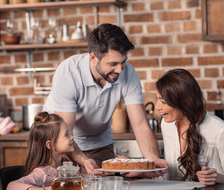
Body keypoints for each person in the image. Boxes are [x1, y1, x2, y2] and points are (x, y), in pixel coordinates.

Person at [43, 23, 167, 173]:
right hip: (61, 142)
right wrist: (84, 161)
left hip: (99, 142)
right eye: (113, 64)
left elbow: (140, 125)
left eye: (123, 62)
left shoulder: (129, 73)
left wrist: (152, 161)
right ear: (93, 57)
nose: (120, 70)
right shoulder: (68, 73)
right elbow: (65, 133)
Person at [7, 112, 82, 190]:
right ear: (50, 145)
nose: (72, 137)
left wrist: (94, 175)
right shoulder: (42, 173)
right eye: (66, 135)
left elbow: (80, 179)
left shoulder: (66, 165)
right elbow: (11, 186)